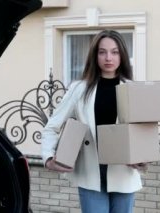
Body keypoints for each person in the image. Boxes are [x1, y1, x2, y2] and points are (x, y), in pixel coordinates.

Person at [41, 30, 147, 213]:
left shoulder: (132, 88)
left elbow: (143, 132)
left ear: (122, 55)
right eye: (102, 52)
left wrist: (142, 159)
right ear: (94, 55)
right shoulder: (79, 89)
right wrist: (49, 158)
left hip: (123, 173)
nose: (108, 58)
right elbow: (52, 127)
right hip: (90, 174)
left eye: (114, 52)